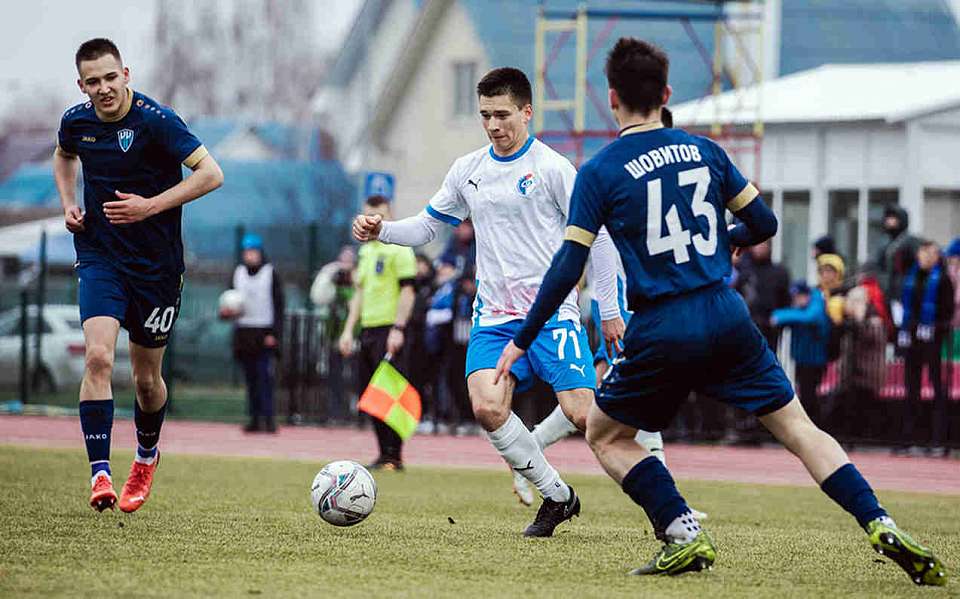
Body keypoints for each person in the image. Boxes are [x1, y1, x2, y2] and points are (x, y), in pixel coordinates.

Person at [494, 37, 945, 584]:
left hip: (663, 323)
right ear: (665, 94)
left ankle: (682, 532)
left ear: (611, 99)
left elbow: (569, 265)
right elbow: (766, 224)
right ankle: (879, 521)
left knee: (607, 435)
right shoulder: (706, 151)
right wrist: (725, 240)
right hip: (727, 314)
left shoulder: (601, 170)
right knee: (800, 427)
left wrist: (522, 338)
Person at [352, 67, 628, 537]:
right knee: (486, 406)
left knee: (585, 414)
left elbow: (599, 239)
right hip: (495, 317)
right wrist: (385, 231)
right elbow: (426, 226)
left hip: (552, 314)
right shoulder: (468, 170)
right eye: (484, 115)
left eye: (502, 114)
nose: (493, 125)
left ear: (526, 112)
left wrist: (608, 309)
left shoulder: (554, 169)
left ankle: (661, 500)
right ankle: (557, 497)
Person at [53, 38, 223, 513]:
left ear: (125, 74)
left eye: (111, 77)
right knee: (98, 358)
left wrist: (150, 206)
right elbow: (63, 155)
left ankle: (146, 456)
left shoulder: (157, 121)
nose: (104, 88)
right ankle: (100, 473)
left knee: (147, 382)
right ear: (81, 85)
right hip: (100, 257)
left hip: (157, 268)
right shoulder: (76, 121)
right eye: (93, 82)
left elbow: (212, 174)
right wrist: (68, 200)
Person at [339, 195, 417, 470]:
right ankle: (383, 452)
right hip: (368, 330)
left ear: (389, 215)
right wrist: (348, 330)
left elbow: (408, 291)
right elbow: (359, 293)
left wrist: (399, 328)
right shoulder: (366, 251)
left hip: (388, 329)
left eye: (379, 217)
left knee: (390, 394)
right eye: (369, 216)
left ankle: (395, 454)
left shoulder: (400, 248)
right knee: (370, 394)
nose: (373, 222)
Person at [898, 240, 955, 456]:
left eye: (928, 254)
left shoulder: (942, 279)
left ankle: (937, 440)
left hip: (934, 341)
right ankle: (908, 439)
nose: (923, 258)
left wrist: (934, 328)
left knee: (937, 390)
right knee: (911, 389)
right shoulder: (912, 277)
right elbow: (905, 306)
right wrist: (906, 330)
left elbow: (947, 312)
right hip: (913, 340)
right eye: (922, 254)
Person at [223, 233, 285, 433]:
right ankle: (254, 418)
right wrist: (226, 312)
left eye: (253, 251)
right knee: (250, 379)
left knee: (265, 378)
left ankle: (269, 419)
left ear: (260, 253)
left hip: (264, 332)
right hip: (243, 332)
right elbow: (228, 300)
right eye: (247, 252)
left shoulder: (270, 273)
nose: (250, 256)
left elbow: (278, 305)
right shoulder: (238, 273)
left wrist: (274, 333)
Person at [771, 282, 830, 425]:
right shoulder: (802, 308)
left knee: (810, 395)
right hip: (802, 358)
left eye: (798, 296)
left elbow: (809, 317)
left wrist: (781, 316)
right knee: (805, 393)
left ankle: (815, 425)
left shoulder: (816, 303)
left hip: (815, 360)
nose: (796, 300)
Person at [734, 239, 791, 351]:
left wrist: (778, 321)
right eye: (757, 244)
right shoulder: (743, 272)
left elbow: (786, 301)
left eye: (764, 244)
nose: (760, 247)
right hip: (746, 327)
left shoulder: (779, 273)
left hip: (769, 329)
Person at [874, 205, 919, 319]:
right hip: (888, 293)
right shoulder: (885, 243)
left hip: (905, 292)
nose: (889, 222)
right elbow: (878, 266)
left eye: (893, 218)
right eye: (888, 218)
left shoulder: (911, 242)